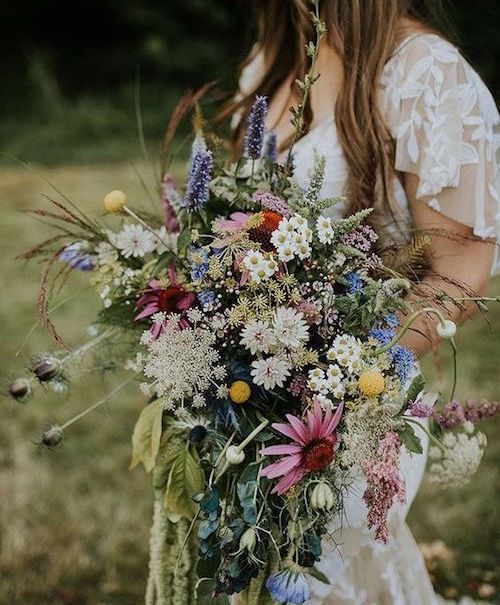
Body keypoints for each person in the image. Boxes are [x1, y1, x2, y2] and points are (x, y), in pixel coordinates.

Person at [225, 1, 499, 603]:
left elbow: (458, 267)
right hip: (247, 394)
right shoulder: (273, 59)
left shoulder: (425, 73)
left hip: (354, 412)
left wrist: (344, 378)